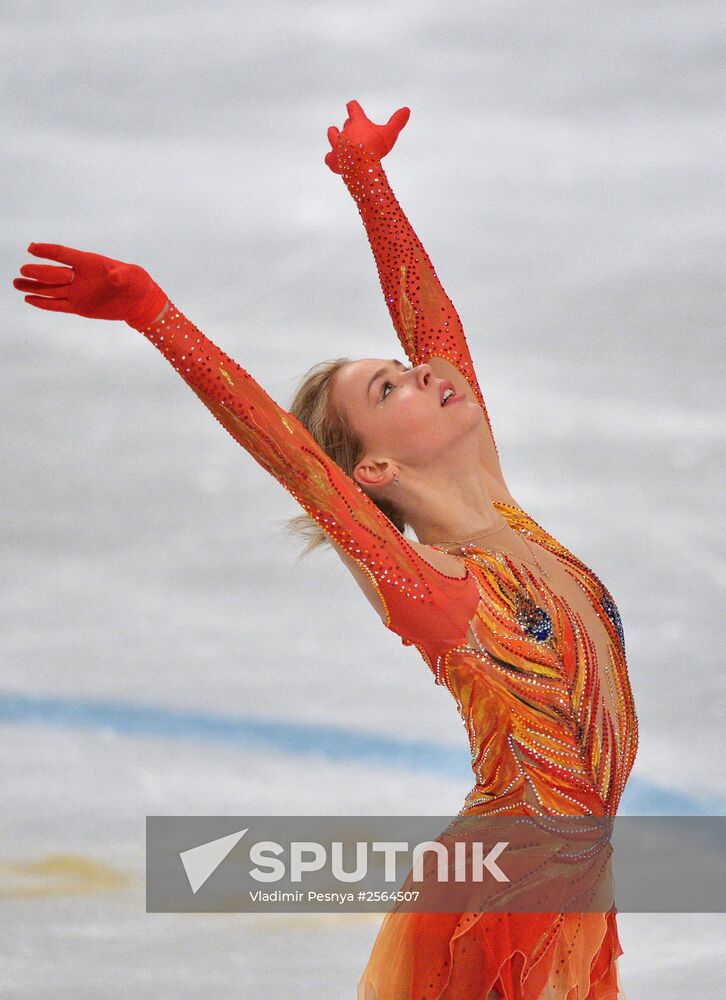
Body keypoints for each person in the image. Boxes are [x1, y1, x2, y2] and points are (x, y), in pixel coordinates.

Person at [12, 99, 638, 999]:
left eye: (410, 366)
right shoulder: (435, 589)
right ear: (376, 467)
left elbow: (434, 331)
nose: (428, 370)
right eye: (391, 386)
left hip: (570, 890)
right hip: (501, 904)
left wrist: (367, 182)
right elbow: (292, 458)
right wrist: (156, 315)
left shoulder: (498, 505)